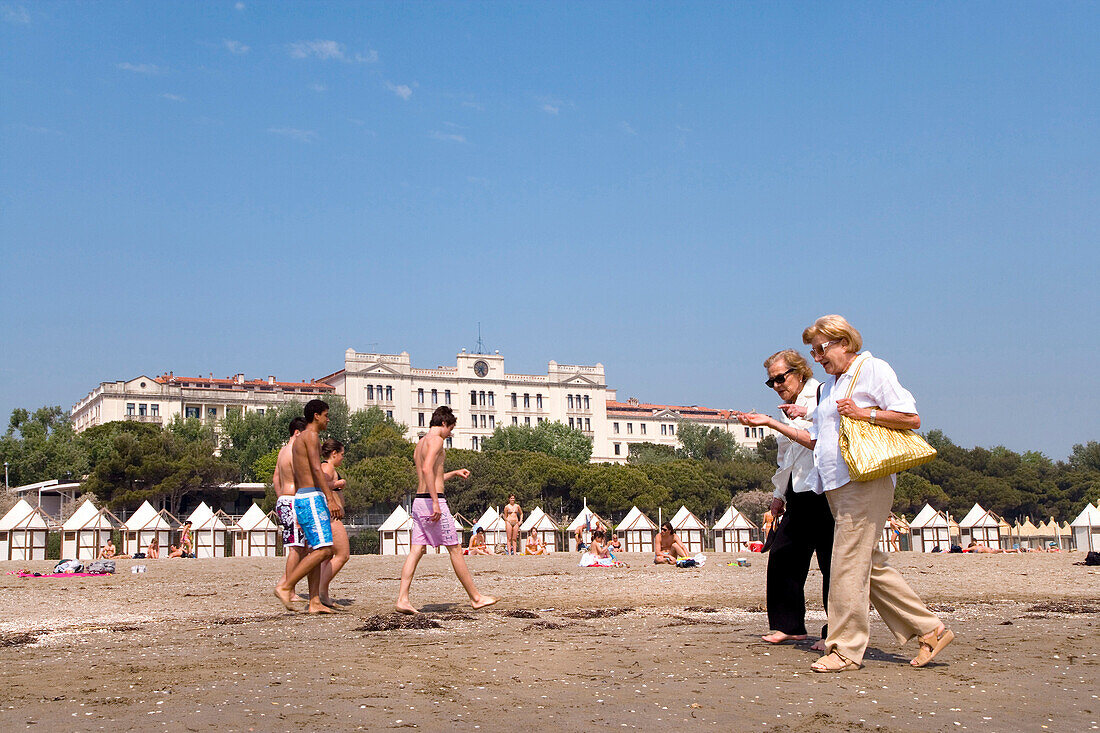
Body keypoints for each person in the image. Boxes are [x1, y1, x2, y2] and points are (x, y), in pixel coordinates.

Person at [740, 315, 954, 672]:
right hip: (835, 486)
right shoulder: (830, 386)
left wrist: (864, 412)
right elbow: (815, 440)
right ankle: (930, 630)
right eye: (813, 351)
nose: (818, 358)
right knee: (868, 566)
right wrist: (775, 421)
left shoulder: (872, 369)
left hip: (864, 480)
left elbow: (911, 417)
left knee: (845, 567)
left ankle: (845, 649)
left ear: (845, 343)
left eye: (821, 349)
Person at [740, 349, 833, 651]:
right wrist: (778, 496)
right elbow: (786, 458)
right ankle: (789, 626)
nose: (777, 385)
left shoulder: (821, 395)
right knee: (783, 556)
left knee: (832, 564)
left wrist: (770, 422)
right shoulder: (786, 408)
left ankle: (837, 632)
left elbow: (815, 441)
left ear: (800, 371)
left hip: (826, 489)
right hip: (798, 489)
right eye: (771, 382)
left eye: (781, 378)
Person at [395, 406, 497, 614]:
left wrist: (453, 473)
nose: (450, 433)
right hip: (433, 502)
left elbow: (430, 475)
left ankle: (402, 599)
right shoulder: (437, 440)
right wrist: (435, 502)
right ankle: (476, 598)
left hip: (418, 502)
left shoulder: (420, 443)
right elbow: (426, 470)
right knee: (455, 549)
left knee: (416, 550)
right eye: (450, 428)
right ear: (443, 423)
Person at [274, 400, 341, 614]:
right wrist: (330, 498)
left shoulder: (299, 439)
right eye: (326, 415)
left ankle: (314, 602)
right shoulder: (311, 436)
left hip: (301, 497)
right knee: (325, 550)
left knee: (314, 548)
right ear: (316, 416)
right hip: (311, 497)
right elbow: (315, 468)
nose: (328, 419)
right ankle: (285, 585)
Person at [274, 417, 309, 602]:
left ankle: (285, 584)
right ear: (297, 433)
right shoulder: (296, 451)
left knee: (301, 547)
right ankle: (289, 590)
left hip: (284, 500)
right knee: (296, 548)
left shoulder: (282, 451)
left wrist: (282, 498)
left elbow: (275, 479)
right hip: (294, 500)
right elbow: (301, 478)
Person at [317, 438, 350, 609]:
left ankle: (323, 592)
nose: (343, 458)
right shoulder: (327, 467)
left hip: (331, 516)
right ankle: (320, 591)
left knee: (328, 556)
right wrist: (338, 483)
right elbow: (319, 484)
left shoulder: (329, 467)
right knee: (343, 554)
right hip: (331, 517)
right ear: (334, 453)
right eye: (342, 454)